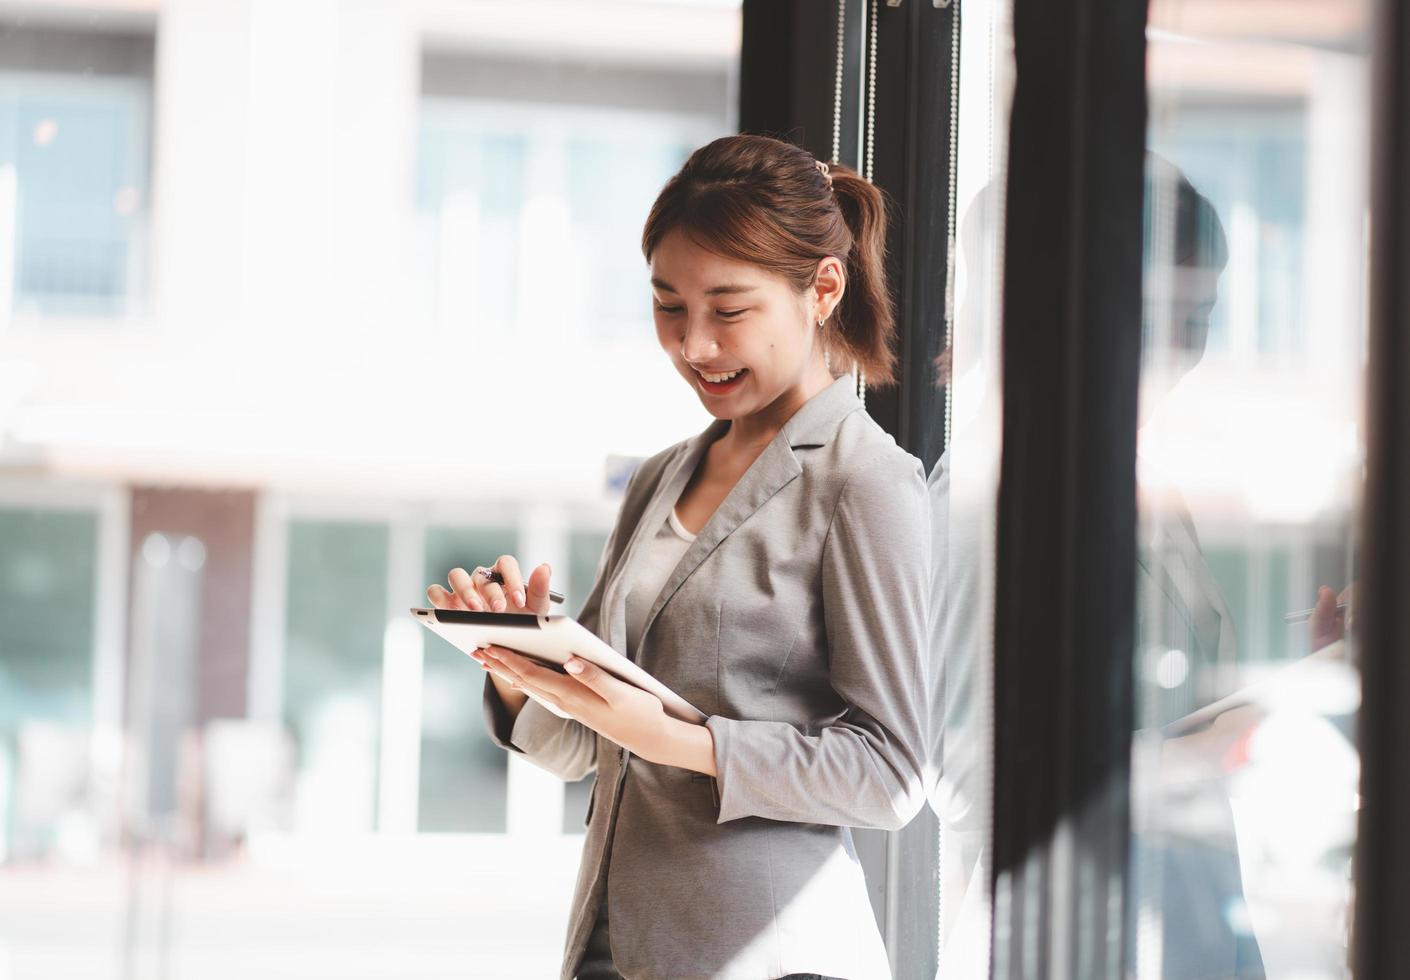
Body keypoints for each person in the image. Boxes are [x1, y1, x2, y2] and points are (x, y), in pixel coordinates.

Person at [426, 134, 930, 980]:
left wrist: (688, 742)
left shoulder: (866, 481)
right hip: (611, 945)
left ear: (823, 290)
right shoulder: (663, 474)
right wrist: (516, 664)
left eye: (728, 310)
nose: (694, 345)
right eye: (668, 306)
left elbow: (890, 773)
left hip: (767, 956)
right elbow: (587, 746)